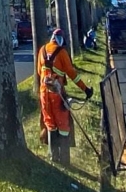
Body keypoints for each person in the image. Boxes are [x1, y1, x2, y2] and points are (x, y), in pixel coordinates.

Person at [37, 27, 93, 164]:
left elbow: (39, 72)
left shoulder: (42, 50)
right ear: (61, 40)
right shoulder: (62, 52)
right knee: (63, 125)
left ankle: (53, 157)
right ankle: (65, 159)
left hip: (44, 93)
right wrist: (85, 90)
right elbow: (72, 74)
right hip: (58, 94)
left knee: (49, 122)